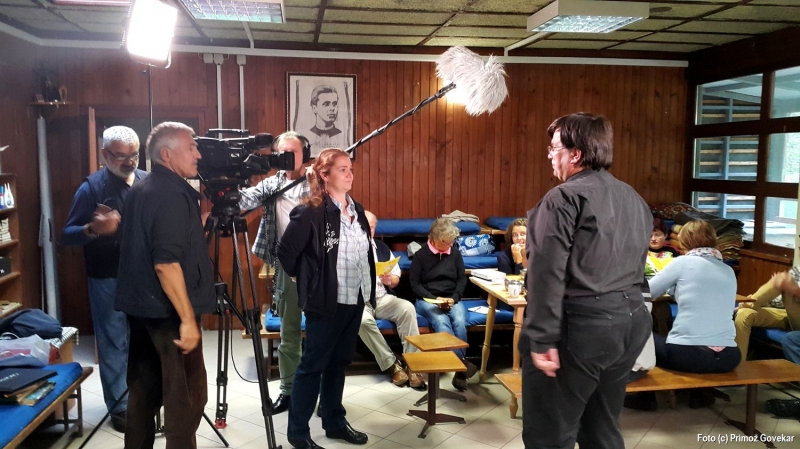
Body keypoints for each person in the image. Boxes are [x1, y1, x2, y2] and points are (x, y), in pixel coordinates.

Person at [522, 112, 652, 449]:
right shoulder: (633, 197)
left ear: (575, 154)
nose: (550, 156)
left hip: (582, 329)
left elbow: (545, 272)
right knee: (601, 429)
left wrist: (541, 337)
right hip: (631, 322)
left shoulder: (562, 198)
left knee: (549, 435)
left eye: (554, 149)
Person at [115, 122, 215, 449]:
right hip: (168, 314)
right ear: (168, 154)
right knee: (186, 399)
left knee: (143, 395)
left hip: (142, 309)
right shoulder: (172, 194)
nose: (199, 154)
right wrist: (187, 320)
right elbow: (166, 263)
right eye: (191, 147)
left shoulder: (143, 187)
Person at [278, 148, 373, 449]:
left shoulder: (356, 209)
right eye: (342, 169)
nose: (349, 174)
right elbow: (286, 252)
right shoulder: (311, 211)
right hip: (326, 302)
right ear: (324, 174)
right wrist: (303, 279)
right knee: (312, 366)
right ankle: (298, 433)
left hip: (355, 297)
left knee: (338, 363)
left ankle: (334, 422)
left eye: (350, 168)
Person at [62, 125, 147, 433]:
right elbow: (67, 235)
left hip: (144, 277)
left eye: (134, 155)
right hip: (106, 277)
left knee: (142, 341)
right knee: (113, 342)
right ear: (104, 154)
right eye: (120, 156)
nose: (129, 162)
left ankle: (142, 398)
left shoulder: (147, 182)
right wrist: (93, 229)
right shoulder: (91, 188)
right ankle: (120, 408)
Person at [239, 131, 311, 414]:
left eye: (293, 153)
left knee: (321, 333)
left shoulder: (318, 181)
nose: (286, 158)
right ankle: (288, 391)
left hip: (319, 266)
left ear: (305, 154)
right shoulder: (273, 183)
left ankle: (319, 392)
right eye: (282, 153)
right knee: (289, 332)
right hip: (287, 265)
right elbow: (246, 200)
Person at [649, 220, 740, 408]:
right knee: (695, 343)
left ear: (684, 240)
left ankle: (646, 398)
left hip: (689, 355)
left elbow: (648, 291)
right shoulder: (728, 270)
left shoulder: (682, 263)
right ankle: (698, 395)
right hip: (729, 356)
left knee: (642, 337)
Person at [409, 217, 477, 391]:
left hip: (451, 297)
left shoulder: (454, 253)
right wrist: (434, 298)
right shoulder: (421, 255)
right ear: (434, 239)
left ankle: (459, 370)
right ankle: (461, 366)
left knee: (460, 321)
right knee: (441, 321)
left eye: (452, 241)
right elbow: (415, 285)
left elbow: (462, 279)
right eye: (446, 242)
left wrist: (455, 297)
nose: (450, 245)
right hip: (427, 299)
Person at [359, 211, 425, 389]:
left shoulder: (382, 248)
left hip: (382, 297)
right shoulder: (348, 249)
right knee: (362, 320)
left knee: (407, 307)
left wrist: (389, 280)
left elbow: (395, 278)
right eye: (364, 226)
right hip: (359, 302)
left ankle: (413, 365)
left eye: (371, 227)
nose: (368, 230)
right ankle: (392, 364)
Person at [735, 267, 800, 361]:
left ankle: (748, 302)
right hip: (787, 313)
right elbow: (778, 301)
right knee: (744, 314)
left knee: (783, 280)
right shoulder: (797, 270)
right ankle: (740, 365)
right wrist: (763, 300)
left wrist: (796, 291)